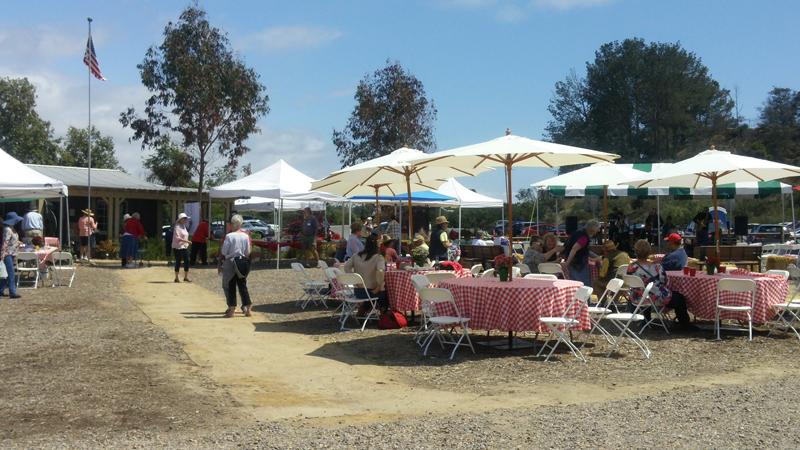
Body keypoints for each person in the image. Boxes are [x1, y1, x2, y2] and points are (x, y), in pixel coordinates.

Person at [627, 239, 692, 330]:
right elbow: (665, 282)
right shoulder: (656, 266)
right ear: (649, 252)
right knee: (679, 298)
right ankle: (685, 325)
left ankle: (646, 319)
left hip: (636, 298)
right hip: (655, 299)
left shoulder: (631, 267)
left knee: (647, 291)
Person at [219, 214, 252, 318]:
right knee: (243, 286)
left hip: (231, 262)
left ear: (232, 224)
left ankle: (232, 309)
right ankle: (248, 307)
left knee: (231, 286)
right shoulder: (245, 236)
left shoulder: (229, 236)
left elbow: (224, 251)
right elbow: (248, 252)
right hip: (242, 261)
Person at [343, 234, 388, 311]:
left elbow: (346, 267)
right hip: (371, 291)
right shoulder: (378, 257)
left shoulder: (356, 255)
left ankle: (364, 309)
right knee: (387, 293)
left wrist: (354, 281)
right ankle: (383, 315)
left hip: (358, 291)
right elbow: (380, 271)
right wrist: (378, 286)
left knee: (374, 294)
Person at [562, 220, 600, 287]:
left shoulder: (577, 233)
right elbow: (574, 249)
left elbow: (567, 247)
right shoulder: (584, 237)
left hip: (573, 263)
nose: (598, 230)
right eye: (598, 228)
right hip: (578, 264)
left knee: (575, 285)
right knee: (584, 286)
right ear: (593, 228)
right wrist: (567, 262)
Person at [0, 212, 23, 299]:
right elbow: (5, 242)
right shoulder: (8, 229)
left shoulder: (11, 228)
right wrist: (2, 254)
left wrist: (18, 243)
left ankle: (1, 291)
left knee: (5, 274)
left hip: (12, 253)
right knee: (11, 273)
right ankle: (12, 292)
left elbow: (11, 241)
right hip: (7, 254)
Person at [172, 213, 192, 283]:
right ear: (180, 220)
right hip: (178, 247)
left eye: (186, 218)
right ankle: (176, 278)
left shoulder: (184, 226)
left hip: (184, 246)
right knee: (178, 261)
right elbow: (177, 238)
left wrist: (186, 242)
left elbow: (186, 234)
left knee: (187, 261)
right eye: (184, 218)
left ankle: (186, 277)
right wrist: (187, 241)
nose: (186, 220)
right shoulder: (177, 227)